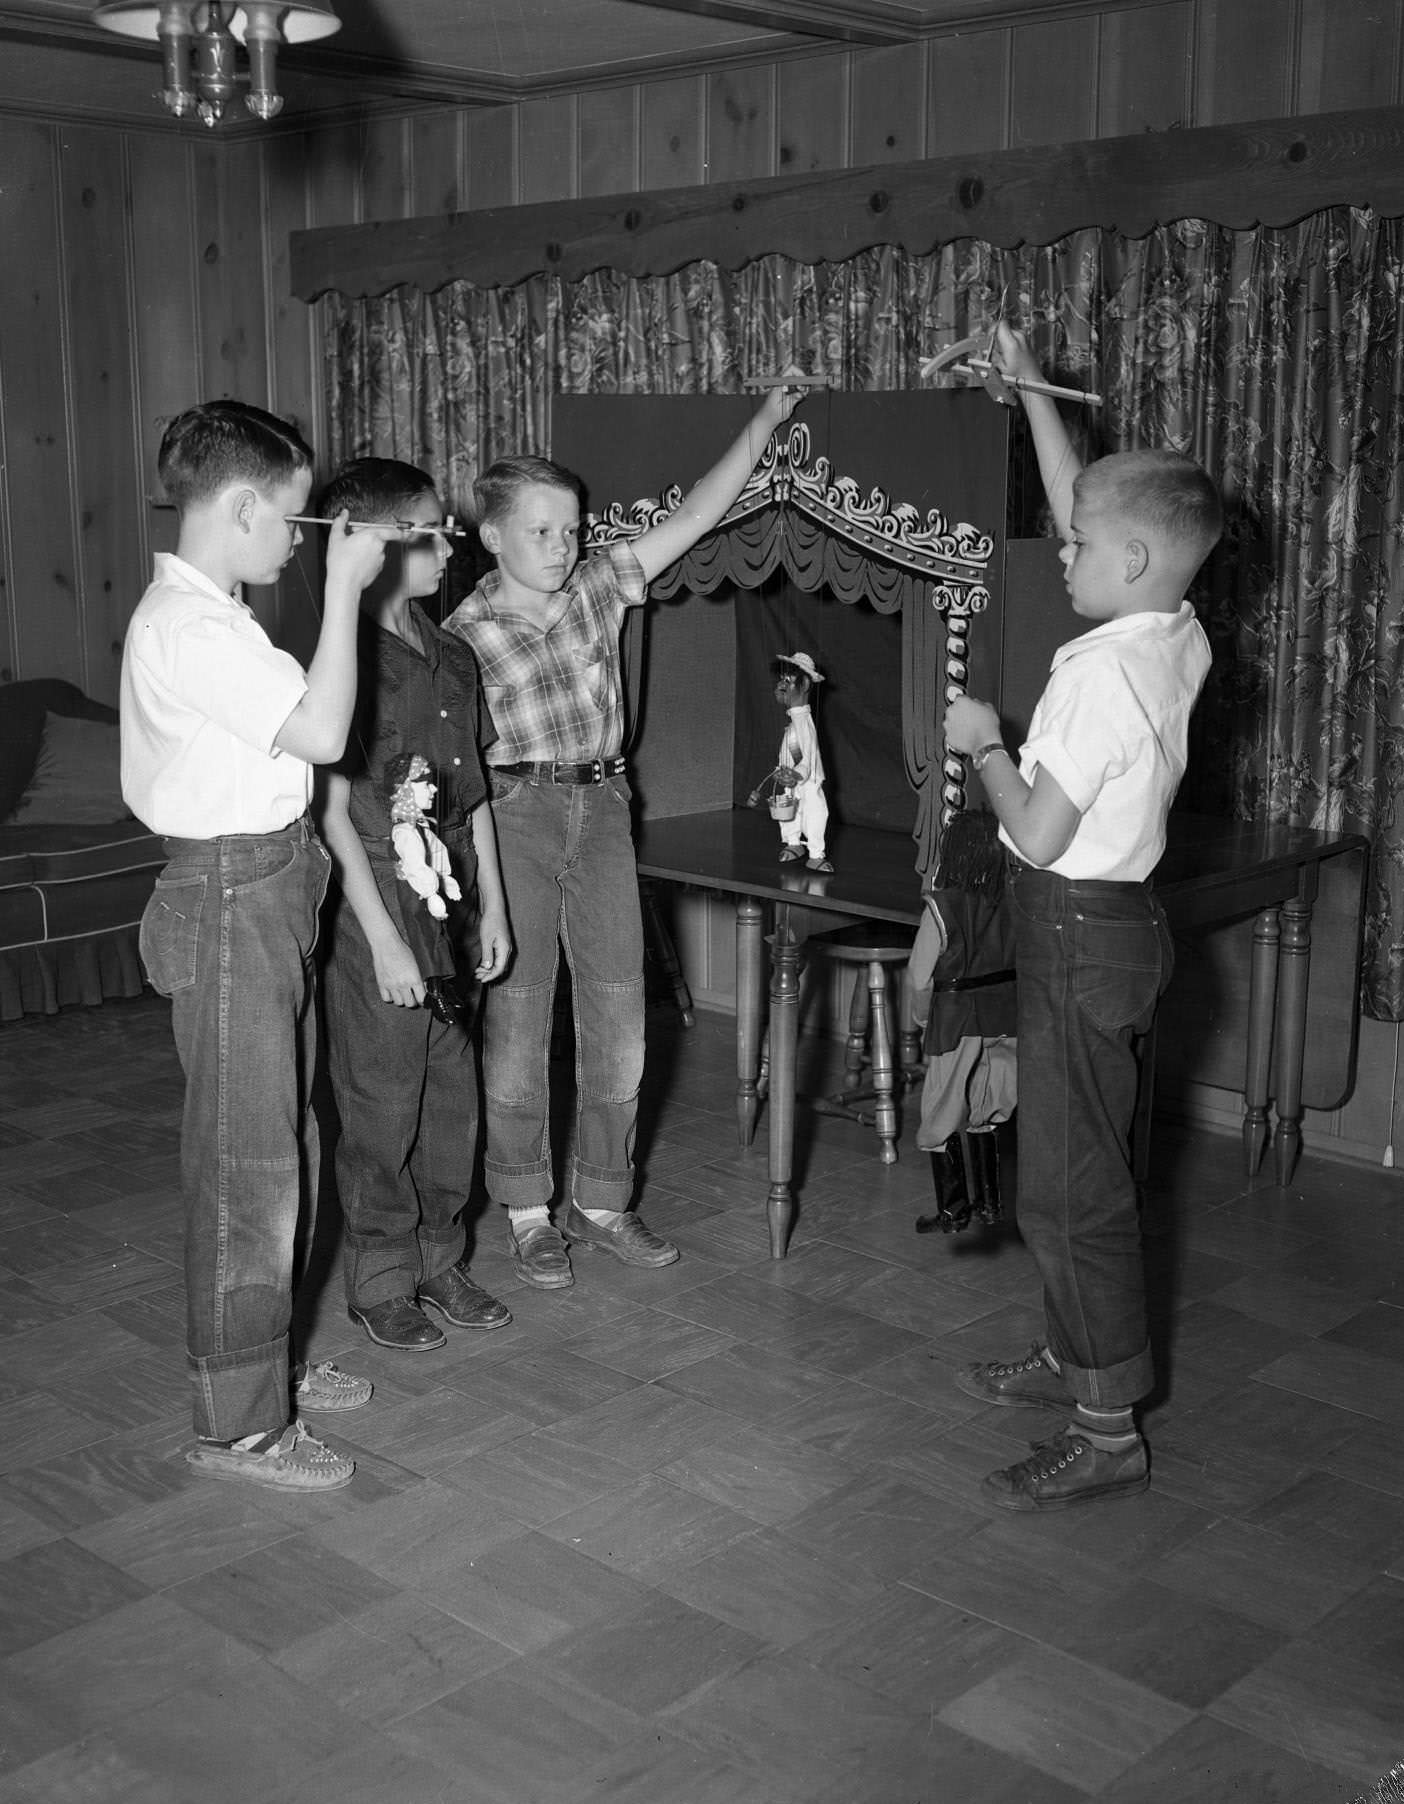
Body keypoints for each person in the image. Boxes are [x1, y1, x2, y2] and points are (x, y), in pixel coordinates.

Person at [942, 324, 1222, 1511]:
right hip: (1114, 928)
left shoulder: (1097, 675)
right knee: (1075, 1161)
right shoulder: (1173, 629)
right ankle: (1073, 1349)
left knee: (1070, 1187)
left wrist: (985, 744)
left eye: (1079, 544)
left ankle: (1109, 1425)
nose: (1062, 548)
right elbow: (1093, 507)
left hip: (1070, 915)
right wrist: (1028, 398)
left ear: (1137, 554)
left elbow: (1037, 832)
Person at [444, 383, 803, 1290]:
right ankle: (527, 1210)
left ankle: (603, 1200)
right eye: (540, 531)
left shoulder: (603, 583)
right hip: (515, 818)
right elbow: (452, 773)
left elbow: (698, 514)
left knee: (619, 1019)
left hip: (604, 811)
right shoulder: (462, 638)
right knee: (520, 1022)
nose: (563, 547)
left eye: (571, 529)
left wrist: (762, 423)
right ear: (491, 534)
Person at [120, 399, 392, 1493]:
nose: (303, 535)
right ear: (239, 509)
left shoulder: (219, 616)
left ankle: (264, 1357)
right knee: (247, 1166)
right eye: (291, 517)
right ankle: (238, 1419)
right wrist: (341, 594)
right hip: (229, 890)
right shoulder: (184, 628)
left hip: (271, 879)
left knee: (290, 1143)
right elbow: (326, 732)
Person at [315, 456, 514, 1353]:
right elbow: (326, 810)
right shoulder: (339, 661)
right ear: (369, 543)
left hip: (452, 906)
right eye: (428, 530)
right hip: (378, 920)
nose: (449, 544)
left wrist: (496, 910)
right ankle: (382, 1275)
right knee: (382, 1098)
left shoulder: (457, 657)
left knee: (451, 1100)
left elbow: (474, 799)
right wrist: (384, 942)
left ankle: (443, 1259)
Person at [769, 651, 831, 872]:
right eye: (782, 680)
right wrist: (783, 770)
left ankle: (816, 853)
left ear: (804, 686)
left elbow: (809, 755)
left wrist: (797, 774)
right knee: (788, 809)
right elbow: (789, 749)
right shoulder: (795, 719)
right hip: (791, 778)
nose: (781, 685)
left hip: (808, 779)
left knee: (814, 812)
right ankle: (793, 843)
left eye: (789, 681)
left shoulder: (804, 721)